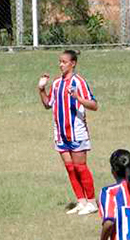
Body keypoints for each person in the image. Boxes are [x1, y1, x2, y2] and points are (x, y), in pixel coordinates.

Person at [37, 50, 98, 215]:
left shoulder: (79, 82)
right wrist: (41, 89)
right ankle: (81, 202)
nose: (61, 65)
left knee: (80, 167)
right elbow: (48, 104)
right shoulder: (57, 83)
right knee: (70, 168)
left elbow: (94, 105)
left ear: (73, 63)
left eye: (64, 62)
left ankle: (92, 203)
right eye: (59, 62)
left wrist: (78, 98)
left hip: (76, 132)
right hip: (60, 132)